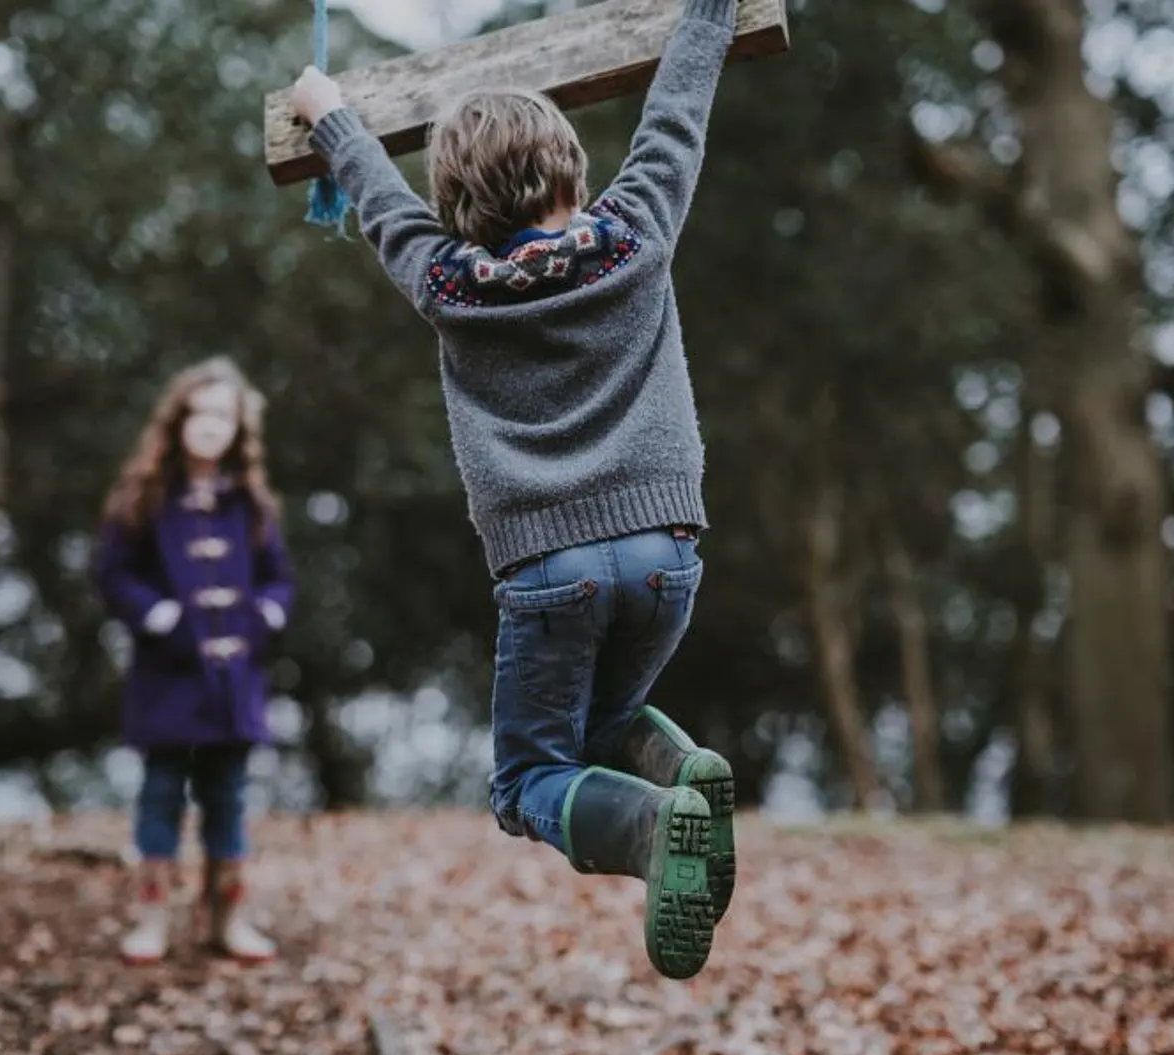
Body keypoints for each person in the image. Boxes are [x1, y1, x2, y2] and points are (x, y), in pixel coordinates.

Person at [288, 0, 741, 980]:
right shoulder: (639, 231)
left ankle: (663, 825)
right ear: (572, 166)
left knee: (527, 777)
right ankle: (683, 775)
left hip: (549, 570)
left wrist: (331, 115)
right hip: (667, 554)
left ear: (460, 203)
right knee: (603, 722)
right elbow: (677, 112)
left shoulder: (451, 285)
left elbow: (377, 199)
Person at [93, 356, 295, 965]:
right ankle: (151, 920)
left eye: (224, 416)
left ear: (239, 429)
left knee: (229, 798)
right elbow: (111, 573)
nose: (211, 426)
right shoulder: (144, 497)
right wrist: (160, 617)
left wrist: (263, 617)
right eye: (200, 413)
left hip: (234, 684)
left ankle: (227, 920)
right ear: (177, 421)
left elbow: (278, 580)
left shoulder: (252, 504)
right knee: (160, 795)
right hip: (167, 680)